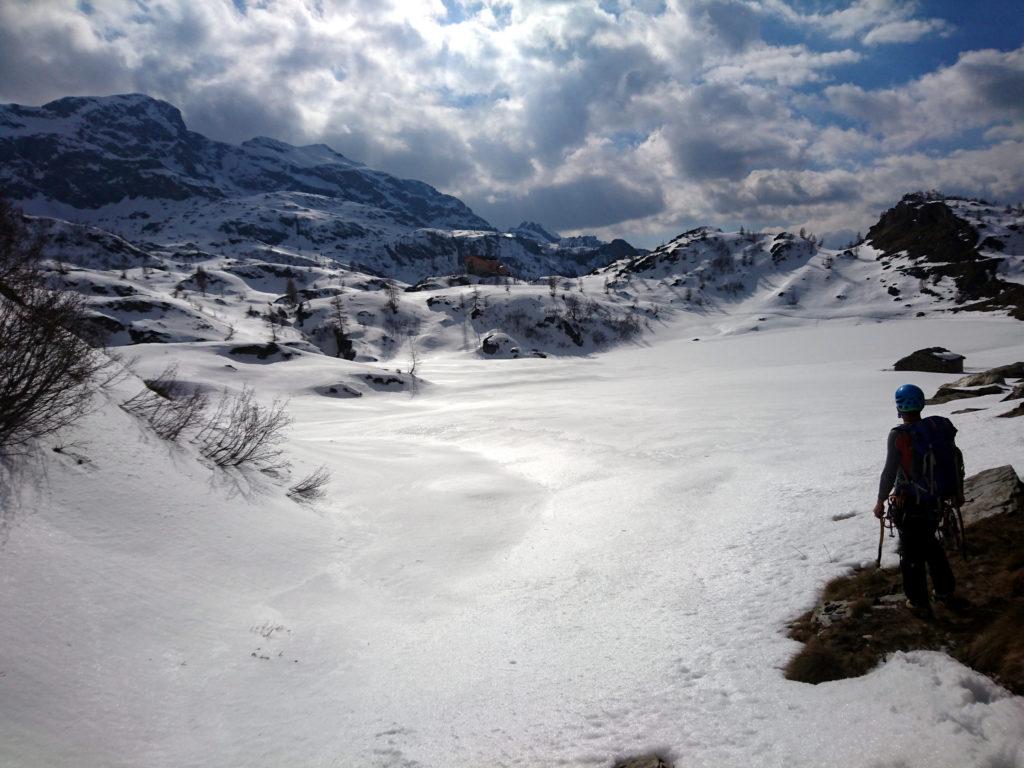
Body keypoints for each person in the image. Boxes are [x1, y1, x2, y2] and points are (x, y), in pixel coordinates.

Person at [873, 384, 960, 616]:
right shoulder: (936, 428)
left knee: (911, 553)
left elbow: (890, 472)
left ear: (899, 407)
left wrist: (880, 501)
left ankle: (918, 601)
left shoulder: (900, 435)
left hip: (910, 502)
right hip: (936, 501)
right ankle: (945, 591)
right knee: (930, 545)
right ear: (921, 403)